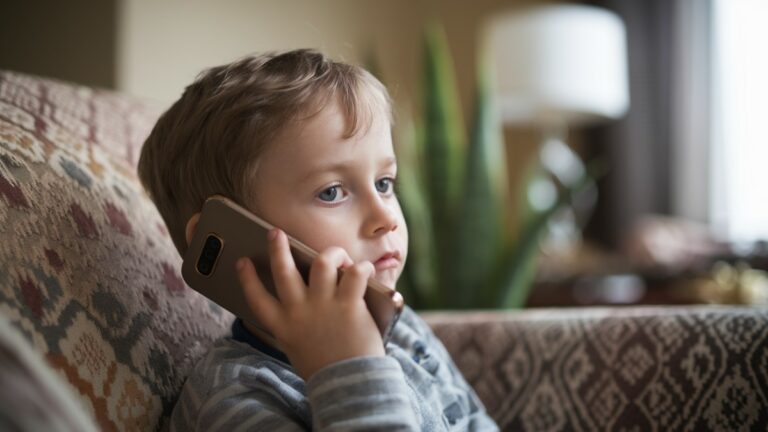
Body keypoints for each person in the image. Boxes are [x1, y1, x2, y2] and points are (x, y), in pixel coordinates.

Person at [138, 49, 498, 431]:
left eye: (384, 183)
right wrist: (352, 370)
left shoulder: (402, 328)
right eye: (331, 192)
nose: (385, 218)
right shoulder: (234, 401)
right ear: (227, 238)